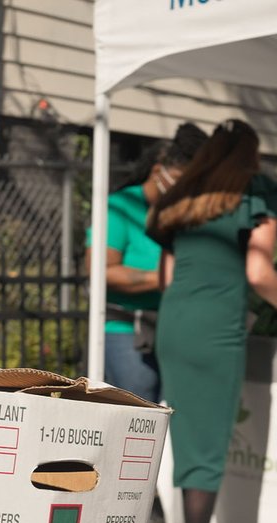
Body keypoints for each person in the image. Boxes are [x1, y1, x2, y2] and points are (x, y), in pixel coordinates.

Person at [146, 119, 277, 523]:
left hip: (175, 324)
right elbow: (259, 271)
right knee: (209, 444)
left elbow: (165, 278)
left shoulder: (183, 197)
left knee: (188, 438)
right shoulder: (256, 192)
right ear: (250, 156)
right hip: (216, 328)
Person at [86, 123, 209, 402]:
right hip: (126, 328)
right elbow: (101, 271)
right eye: (183, 180)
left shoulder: (185, 213)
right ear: (158, 172)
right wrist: (165, 279)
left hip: (175, 328)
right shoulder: (119, 207)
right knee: (138, 408)